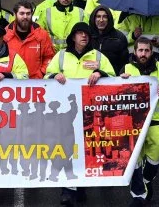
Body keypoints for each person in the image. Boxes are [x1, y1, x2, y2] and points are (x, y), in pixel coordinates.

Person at [46, 21, 115, 206]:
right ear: (73, 37)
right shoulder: (61, 56)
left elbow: (112, 77)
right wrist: (54, 76)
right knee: (67, 149)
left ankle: (81, 187)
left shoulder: (98, 56)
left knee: (86, 150)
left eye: (86, 33)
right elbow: (46, 76)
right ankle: (67, 190)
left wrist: (100, 73)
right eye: (80, 33)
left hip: (90, 111)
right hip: (66, 113)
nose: (84, 36)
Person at [122, 38, 159, 205]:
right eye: (140, 50)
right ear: (135, 51)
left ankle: (146, 179)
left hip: (154, 121)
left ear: (151, 52)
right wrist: (121, 81)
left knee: (158, 150)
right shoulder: (126, 69)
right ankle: (138, 196)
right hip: (132, 122)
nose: (143, 54)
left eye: (146, 50)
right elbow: (116, 95)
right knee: (134, 159)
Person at [4, 1, 56, 79]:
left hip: (35, 82)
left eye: (28, 13)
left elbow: (49, 57)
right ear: (15, 14)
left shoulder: (42, 35)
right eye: (22, 13)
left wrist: (41, 73)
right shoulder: (5, 35)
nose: (25, 16)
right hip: (13, 81)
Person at [89, 5, 129, 73]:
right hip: (90, 77)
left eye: (105, 17)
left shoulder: (119, 38)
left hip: (112, 77)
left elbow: (124, 64)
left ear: (109, 19)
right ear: (93, 18)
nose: (101, 20)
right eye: (98, 16)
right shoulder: (87, 36)